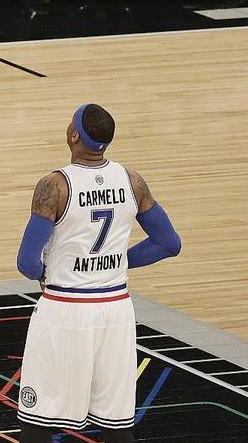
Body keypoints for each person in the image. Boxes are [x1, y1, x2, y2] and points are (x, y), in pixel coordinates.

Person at [15, 104, 181, 442]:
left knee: (36, 422)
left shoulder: (54, 186)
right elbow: (169, 243)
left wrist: (54, 269)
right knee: (116, 425)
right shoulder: (132, 181)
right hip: (116, 311)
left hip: (66, 309)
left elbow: (27, 263)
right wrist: (118, 261)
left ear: (74, 135)